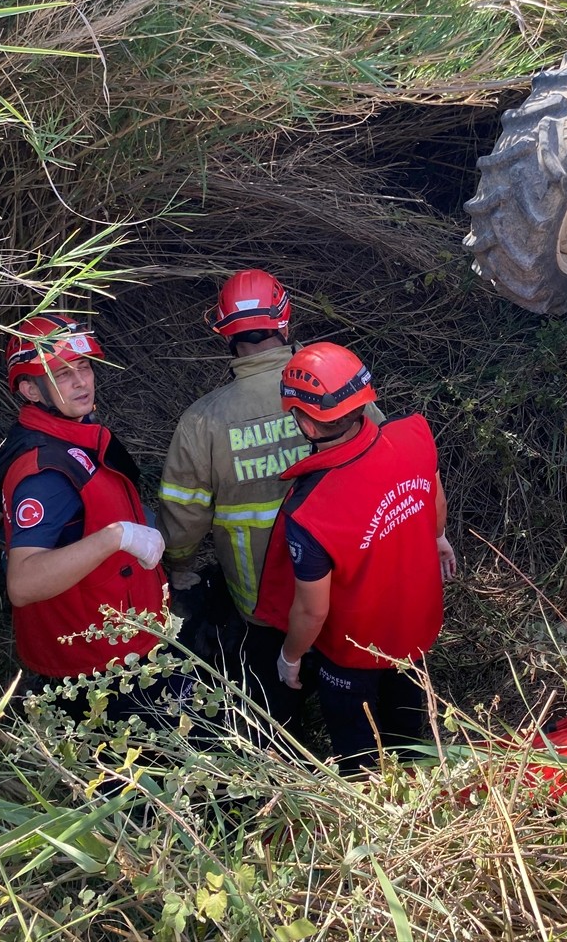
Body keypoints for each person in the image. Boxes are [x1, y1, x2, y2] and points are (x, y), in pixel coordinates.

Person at [255, 341, 456, 773]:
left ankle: (370, 807)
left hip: (351, 656)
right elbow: (435, 500)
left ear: (307, 425)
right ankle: (416, 781)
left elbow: (312, 611)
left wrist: (290, 659)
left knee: (358, 749)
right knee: (408, 726)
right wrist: (437, 537)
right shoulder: (414, 434)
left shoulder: (311, 511)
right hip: (415, 631)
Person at [0, 312, 176, 724]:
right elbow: (22, 584)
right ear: (30, 389)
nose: (82, 381)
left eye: (84, 366)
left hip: (127, 637)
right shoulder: (45, 472)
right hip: (97, 666)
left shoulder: (71, 432)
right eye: (62, 374)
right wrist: (116, 536)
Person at [156, 270, 314, 726]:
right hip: (344, 587)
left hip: (261, 601)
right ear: (285, 321)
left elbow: (183, 518)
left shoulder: (204, 420)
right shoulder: (332, 381)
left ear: (226, 333)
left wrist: (179, 565)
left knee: (276, 714)